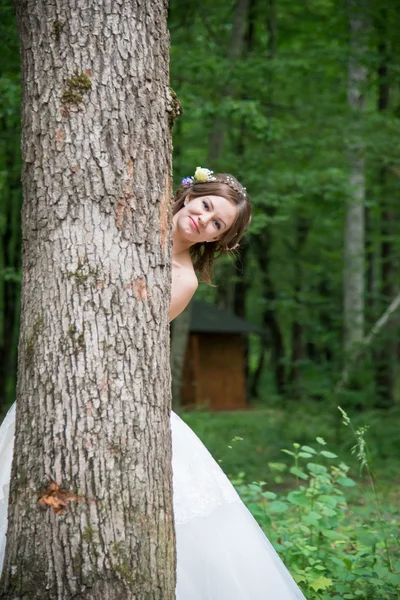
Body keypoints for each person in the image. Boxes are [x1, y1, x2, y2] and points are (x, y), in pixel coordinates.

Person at [0, 168, 307, 599]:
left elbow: (130, 338)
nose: (204, 220)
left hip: (109, 385)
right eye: (205, 206)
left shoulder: (182, 279)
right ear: (189, 197)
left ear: (216, 240)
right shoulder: (133, 219)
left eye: (217, 224)